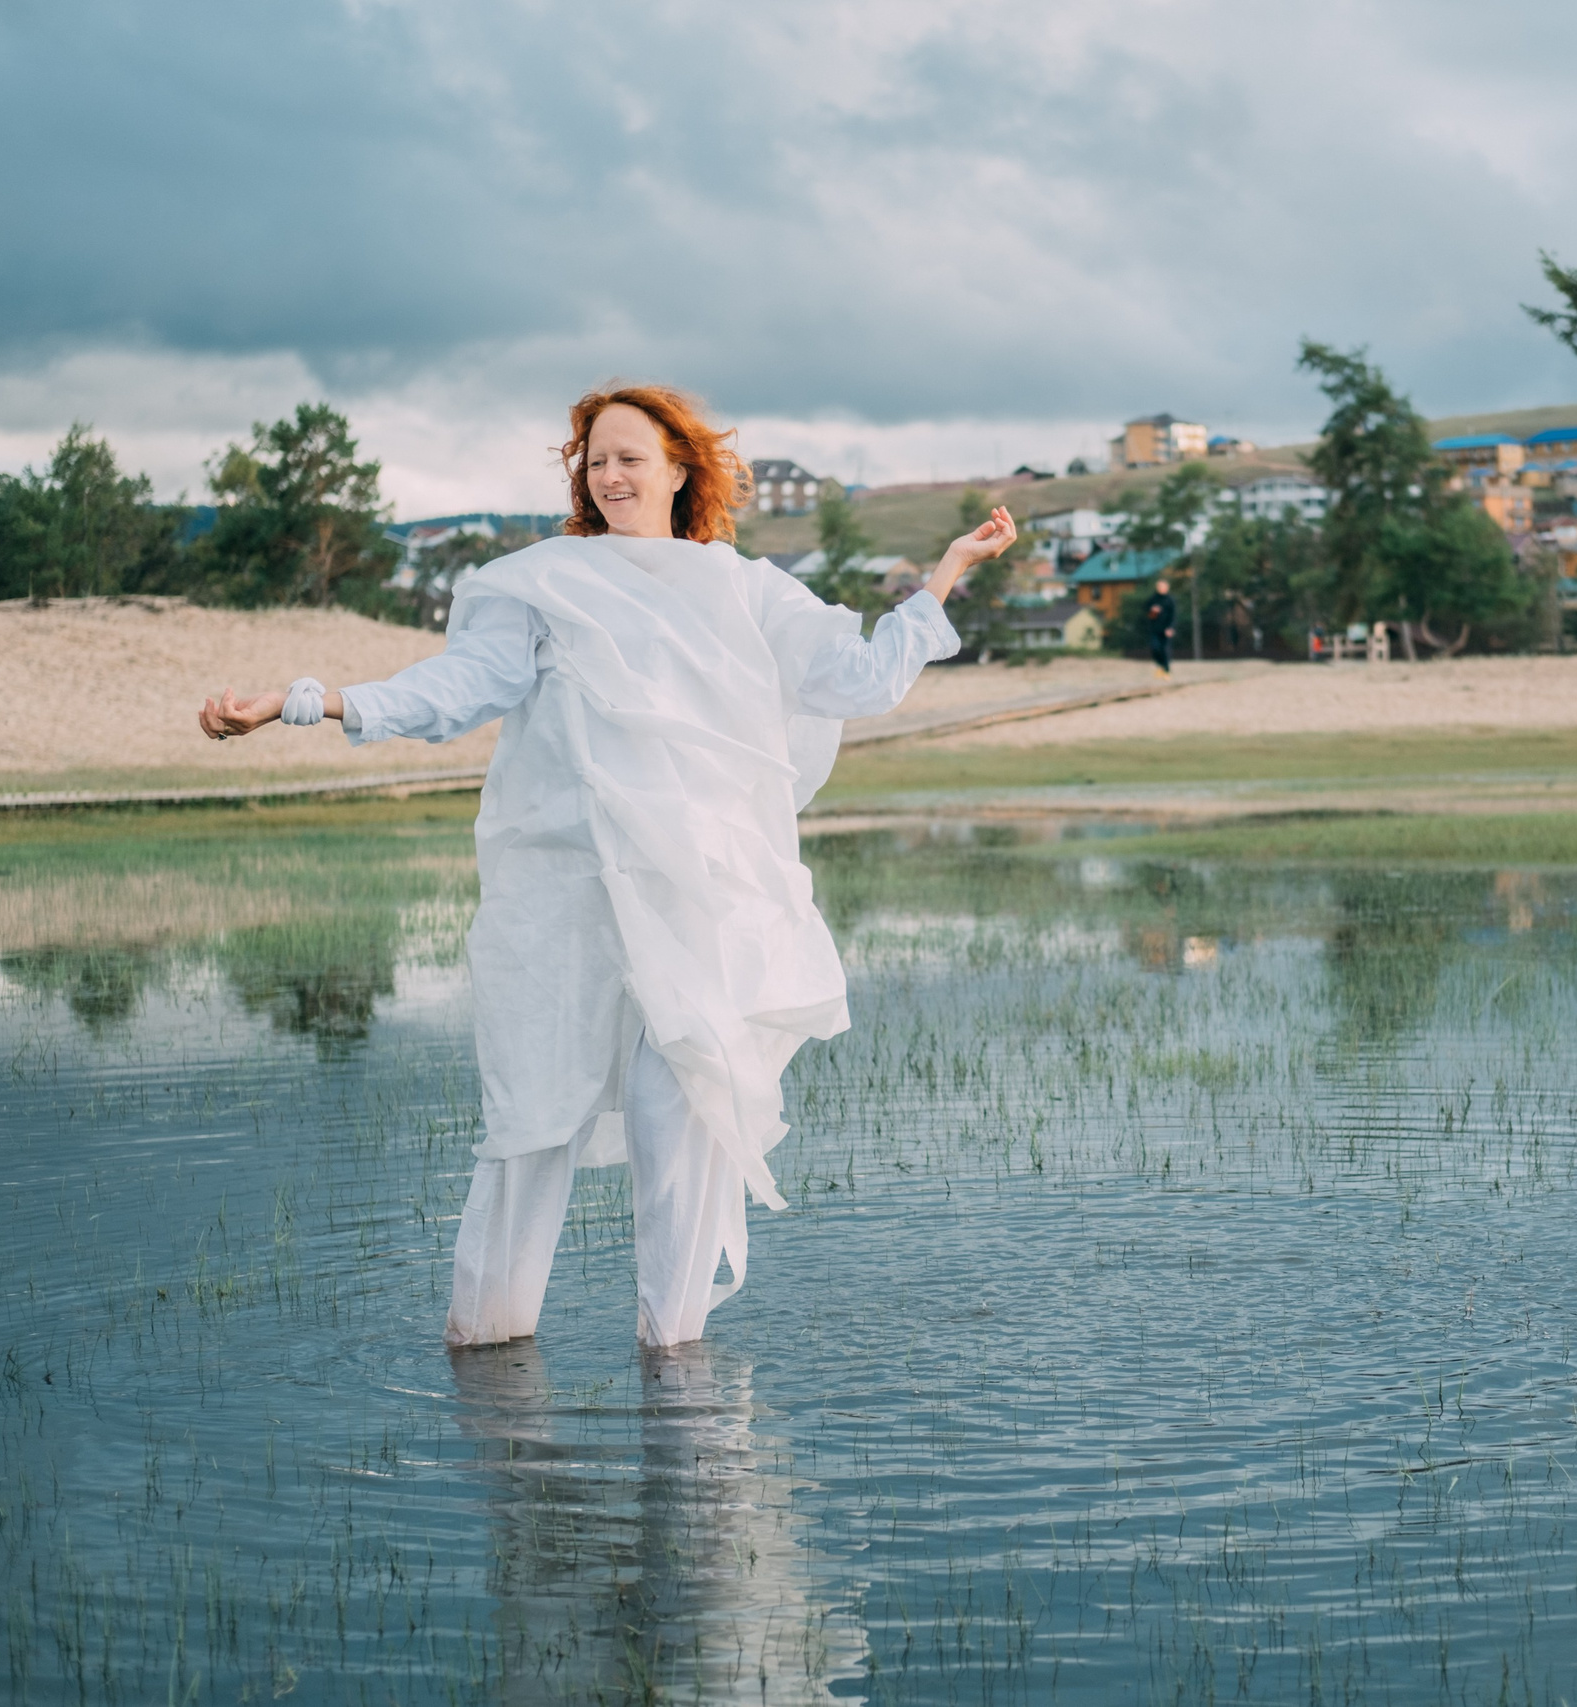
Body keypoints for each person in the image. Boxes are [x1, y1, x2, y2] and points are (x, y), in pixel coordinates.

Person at [198, 384, 1015, 1348]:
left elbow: (862, 678)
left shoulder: (746, 589)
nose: (610, 474)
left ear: (681, 467)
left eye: (631, 455)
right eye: (595, 460)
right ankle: (489, 1342)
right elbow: (461, 687)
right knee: (533, 1112)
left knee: (685, 1110)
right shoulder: (541, 581)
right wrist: (308, 701)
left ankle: (673, 1360)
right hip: (567, 894)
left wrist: (947, 575)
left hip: (697, 899)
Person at [1141, 577, 1176, 676]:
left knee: (1164, 650)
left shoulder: (1170, 600)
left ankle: (1166, 670)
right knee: (1154, 648)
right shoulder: (1153, 599)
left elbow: (1173, 616)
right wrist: (1152, 610)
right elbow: (1146, 610)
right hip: (1154, 629)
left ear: (1167, 587)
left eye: (1162, 586)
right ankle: (1160, 666)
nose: (1160, 588)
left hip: (1166, 629)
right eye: (1159, 586)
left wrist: (1171, 628)